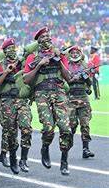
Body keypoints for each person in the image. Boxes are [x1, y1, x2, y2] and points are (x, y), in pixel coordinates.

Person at [24, 27, 73, 175]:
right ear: (38, 41)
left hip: (58, 91)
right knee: (49, 128)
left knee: (66, 129)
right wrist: (39, 64)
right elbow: (26, 79)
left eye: (48, 36)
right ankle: (45, 147)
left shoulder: (59, 54)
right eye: (43, 37)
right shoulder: (32, 57)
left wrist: (59, 61)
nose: (46, 39)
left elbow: (68, 77)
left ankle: (64, 160)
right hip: (42, 93)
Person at [0, 38, 32, 174]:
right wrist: (6, 72)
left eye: (14, 48)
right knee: (11, 132)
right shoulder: (0, 66)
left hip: (21, 100)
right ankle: (13, 158)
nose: (12, 51)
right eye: (9, 49)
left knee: (26, 127)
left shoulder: (22, 63)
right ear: (4, 51)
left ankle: (24, 159)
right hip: (6, 101)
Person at [66, 46, 95, 159]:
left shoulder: (85, 65)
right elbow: (63, 83)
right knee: (72, 125)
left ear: (80, 53)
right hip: (70, 99)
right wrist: (73, 78)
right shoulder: (65, 66)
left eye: (76, 52)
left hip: (83, 98)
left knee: (85, 124)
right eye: (72, 53)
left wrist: (86, 76)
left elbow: (89, 83)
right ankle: (68, 145)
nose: (74, 54)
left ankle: (85, 149)